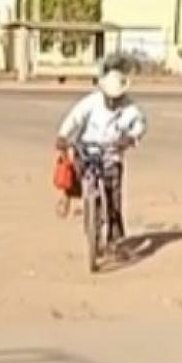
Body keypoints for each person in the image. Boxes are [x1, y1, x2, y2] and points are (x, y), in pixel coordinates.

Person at [55, 56, 147, 240]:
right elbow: (74, 118)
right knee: (75, 169)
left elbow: (140, 124)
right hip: (88, 148)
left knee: (114, 196)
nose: (112, 102)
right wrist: (63, 135)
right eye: (109, 97)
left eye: (116, 98)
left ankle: (115, 238)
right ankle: (68, 195)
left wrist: (130, 138)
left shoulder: (130, 108)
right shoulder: (91, 102)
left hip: (111, 154)